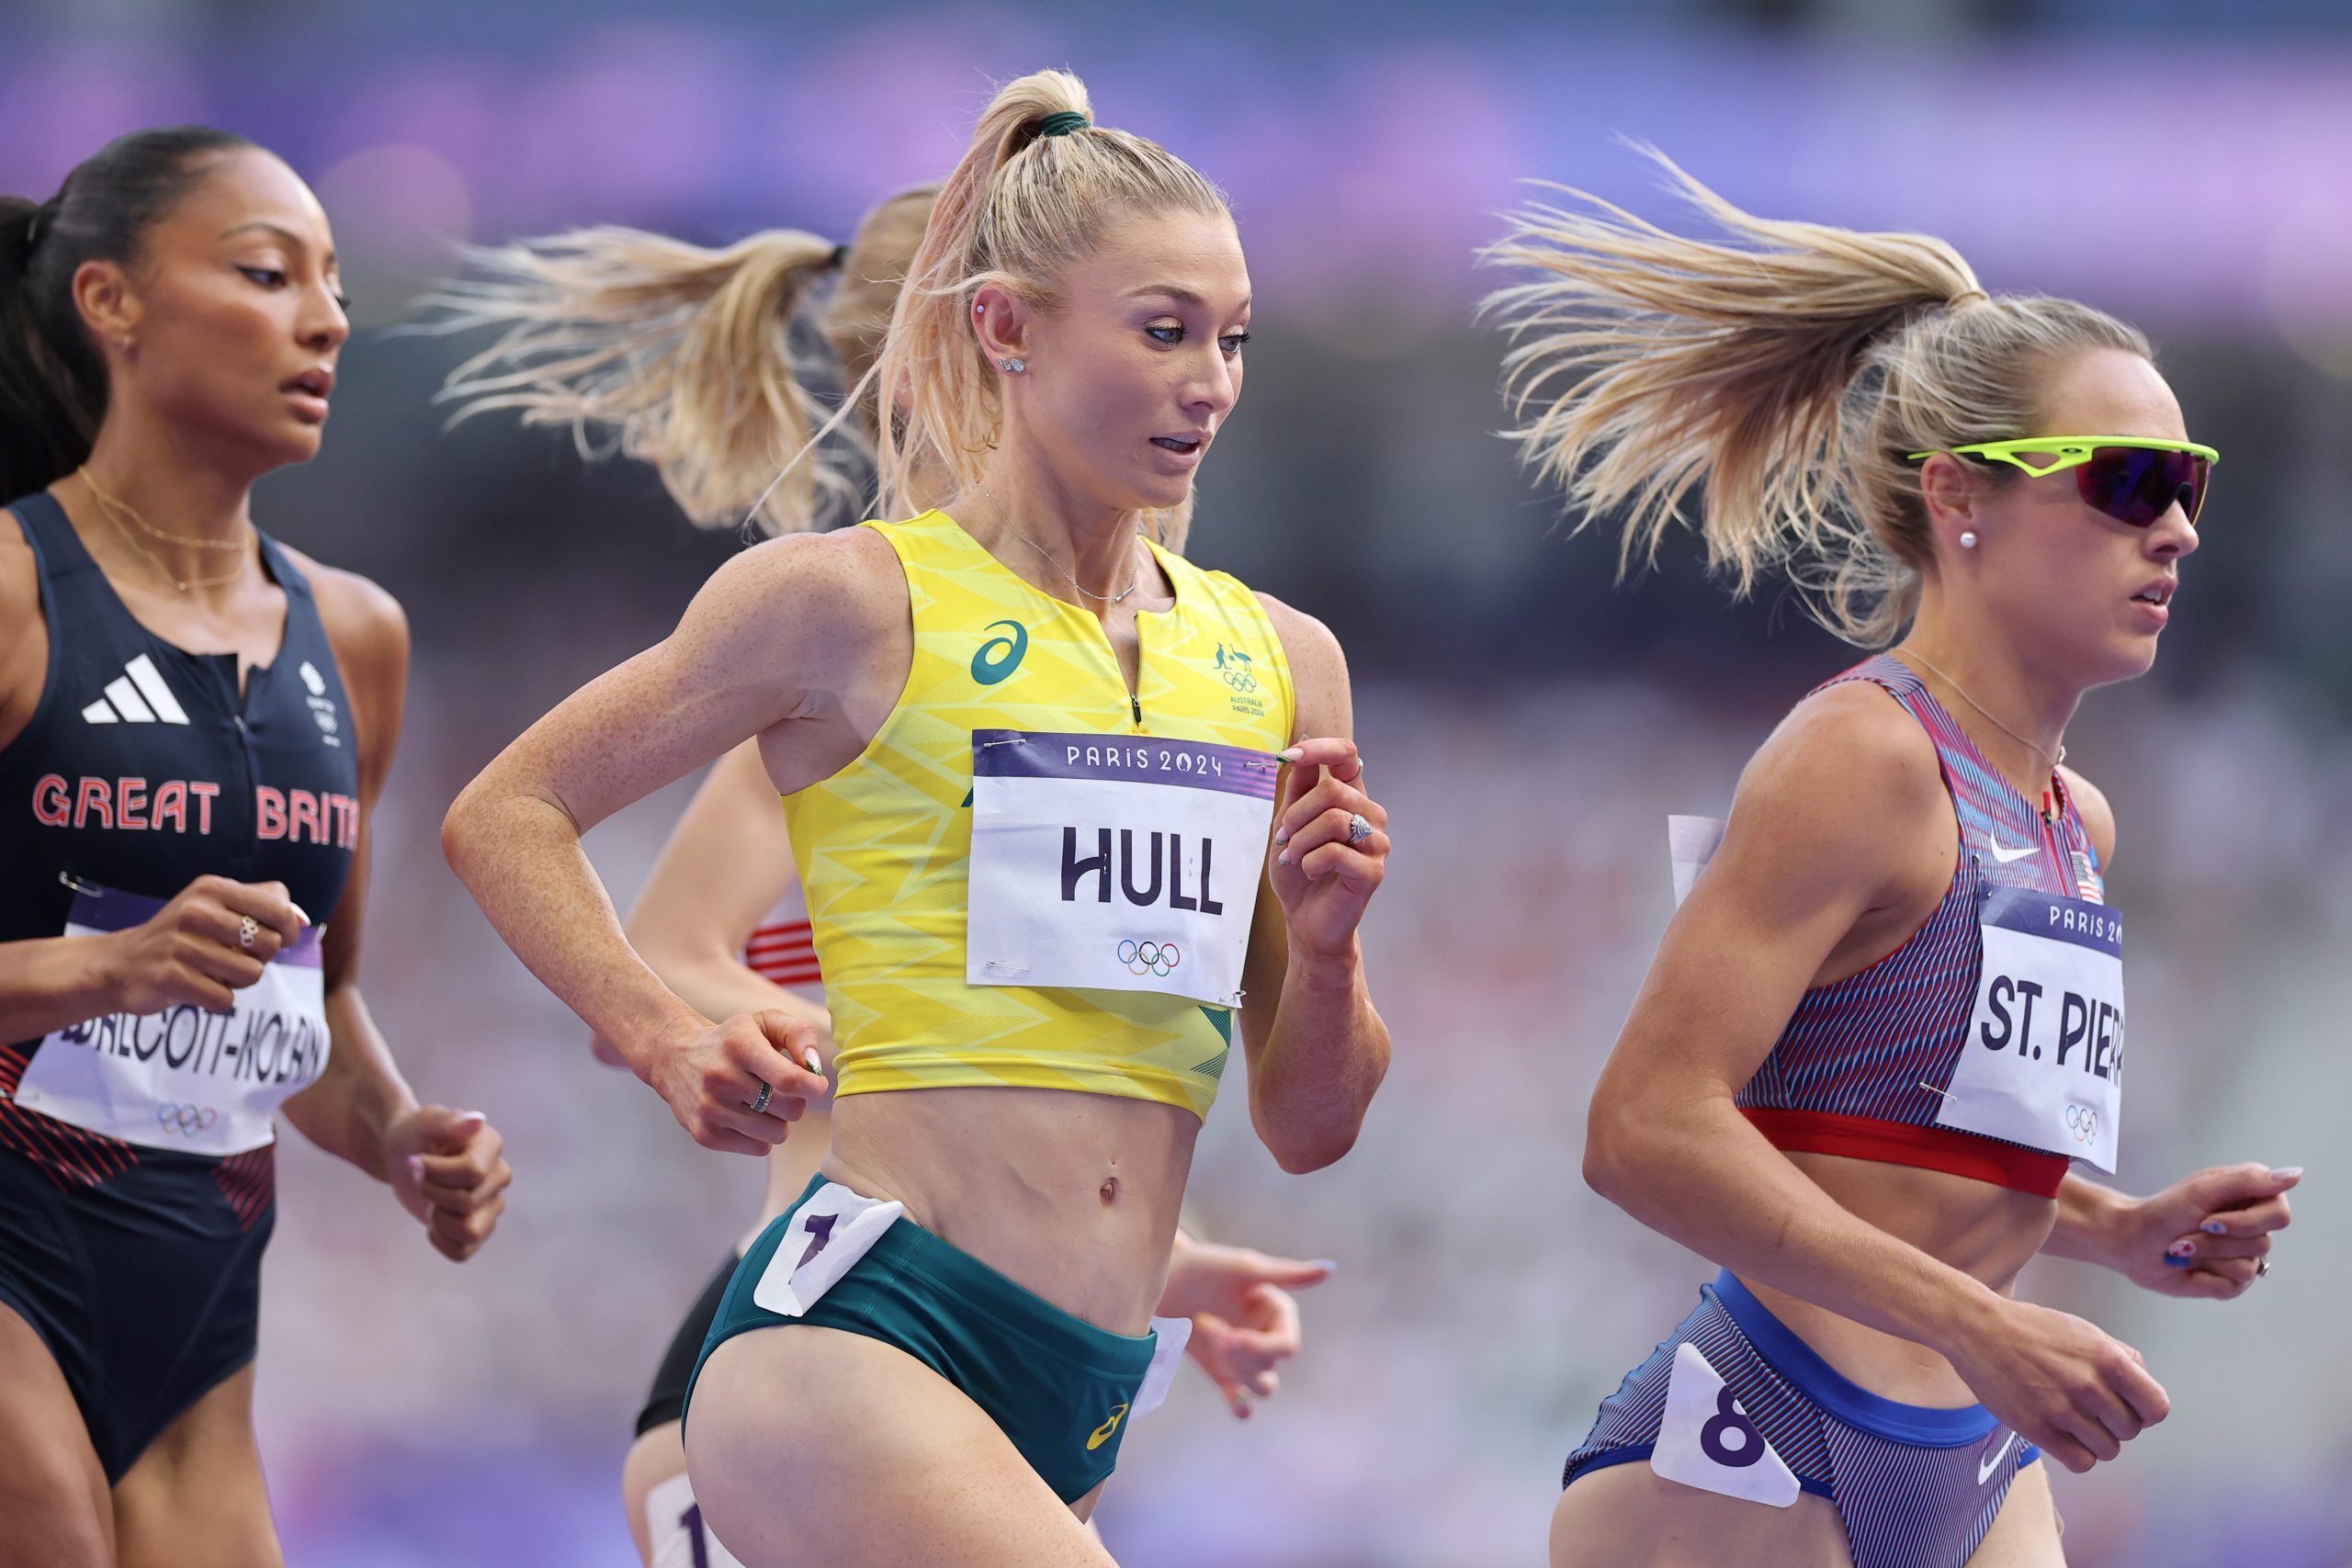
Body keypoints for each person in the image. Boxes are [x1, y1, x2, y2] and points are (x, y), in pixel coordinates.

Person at [438, 70, 1392, 1568]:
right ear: (1004, 329)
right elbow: (509, 811)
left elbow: (1312, 1123)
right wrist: (662, 1026)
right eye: (1164, 332)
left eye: (1233, 339)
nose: (1211, 381)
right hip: (860, 1326)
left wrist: (1327, 954)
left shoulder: (1280, 662)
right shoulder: (842, 606)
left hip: (1080, 1380)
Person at [1486, 153, 2298, 1567]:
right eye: (2128, 482)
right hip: (1765, 1439)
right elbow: (1643, 1129)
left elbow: (1888, 1135)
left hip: (1977, 1451)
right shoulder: (1860, 761)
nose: (2175, 528)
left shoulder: (2074, 819)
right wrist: (1980, 1320)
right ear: (1959, 500)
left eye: (2192, 486)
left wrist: (2111, 1230)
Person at [0, 128, 513, 1568]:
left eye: (336, 284)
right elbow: (129, 976)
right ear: (112, 303)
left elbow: (313, 1005)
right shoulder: (15, 591)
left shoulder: (357, 638)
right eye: (269, 272)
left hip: (201, 1329)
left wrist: (402, 1135)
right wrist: (96, 971)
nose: (329, 318)